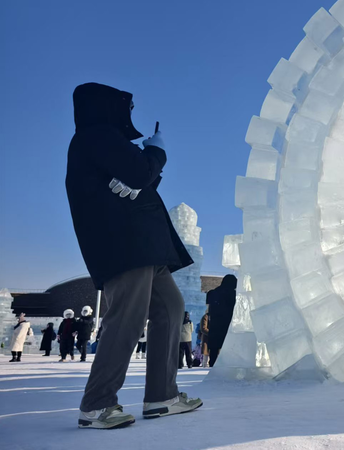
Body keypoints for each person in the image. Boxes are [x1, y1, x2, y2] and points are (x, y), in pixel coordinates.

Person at [66, 83, 201, 429]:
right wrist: (156, 154)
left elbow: (135, 184)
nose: (130, 114)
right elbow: (140, 174)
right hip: (123, 246)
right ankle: (97, 404)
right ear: (107, 107)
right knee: (127, 317)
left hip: (145, 246)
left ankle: (162, 395)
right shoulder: (96, 136)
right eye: (128, 107)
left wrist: (144, 173)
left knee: (170, 307)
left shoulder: (102, 143)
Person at [206, 275, 237, 367]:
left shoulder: (213, 292)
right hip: (227, 324)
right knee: (227, 347)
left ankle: (212, 366)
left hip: (215, 324)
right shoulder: (232, 293)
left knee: (214, 349)